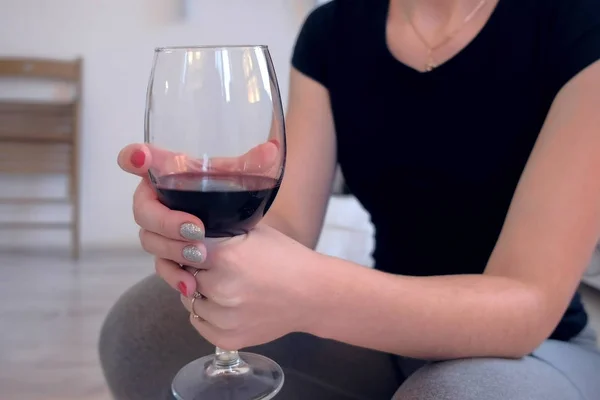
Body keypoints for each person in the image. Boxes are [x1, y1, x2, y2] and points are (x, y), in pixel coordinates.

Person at [99, 0, 600, 399]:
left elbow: (526, 308)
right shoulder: (332, 30)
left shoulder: (578, 23)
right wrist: (213, 231)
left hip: (537, 350)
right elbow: (289, 225)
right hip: (382, 338)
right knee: (143, 329)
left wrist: (312, 294)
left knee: (455, 394)